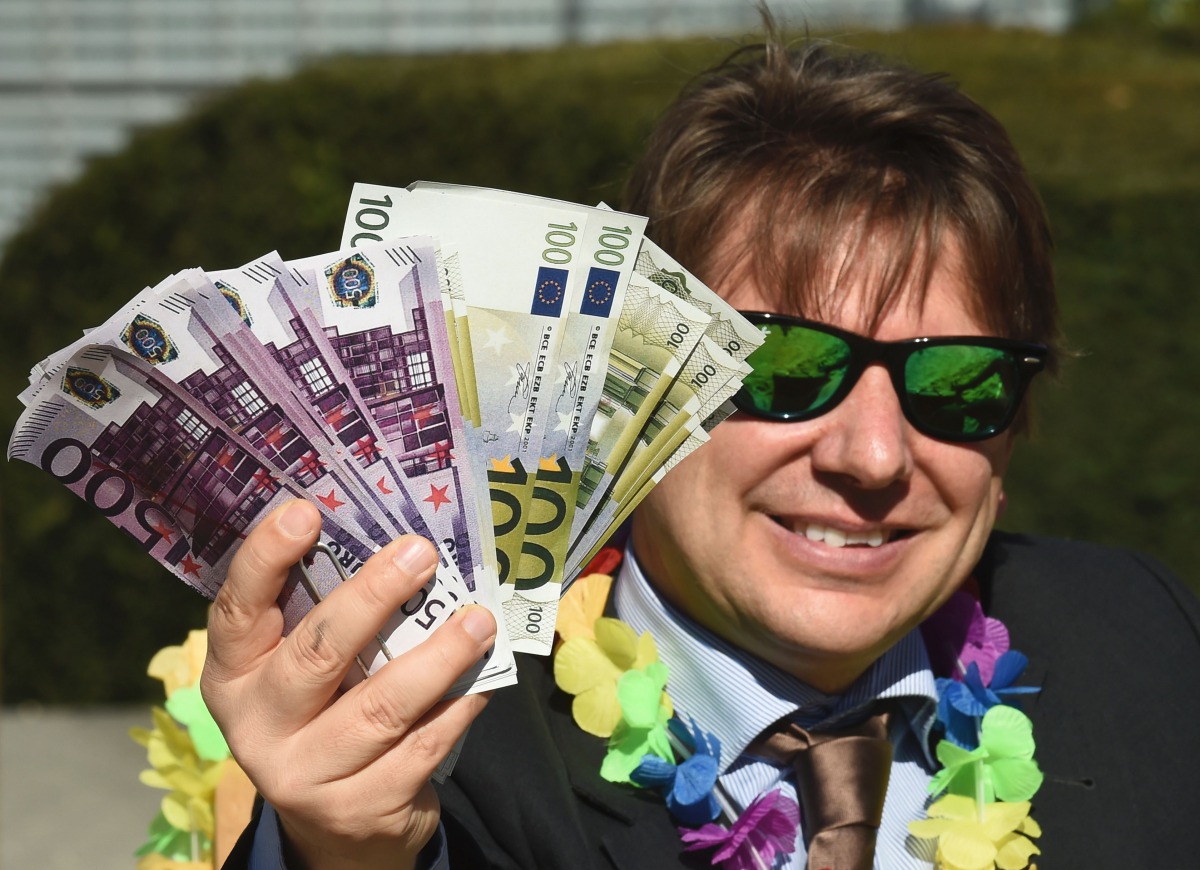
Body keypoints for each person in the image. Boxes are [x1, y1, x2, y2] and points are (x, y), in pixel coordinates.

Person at [205, 33, 1200, 870]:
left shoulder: (1145, 644)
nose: (874, 453)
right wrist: (344, 851)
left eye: (958, 382)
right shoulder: (440, 749)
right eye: (781, 365)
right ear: (627, 390)